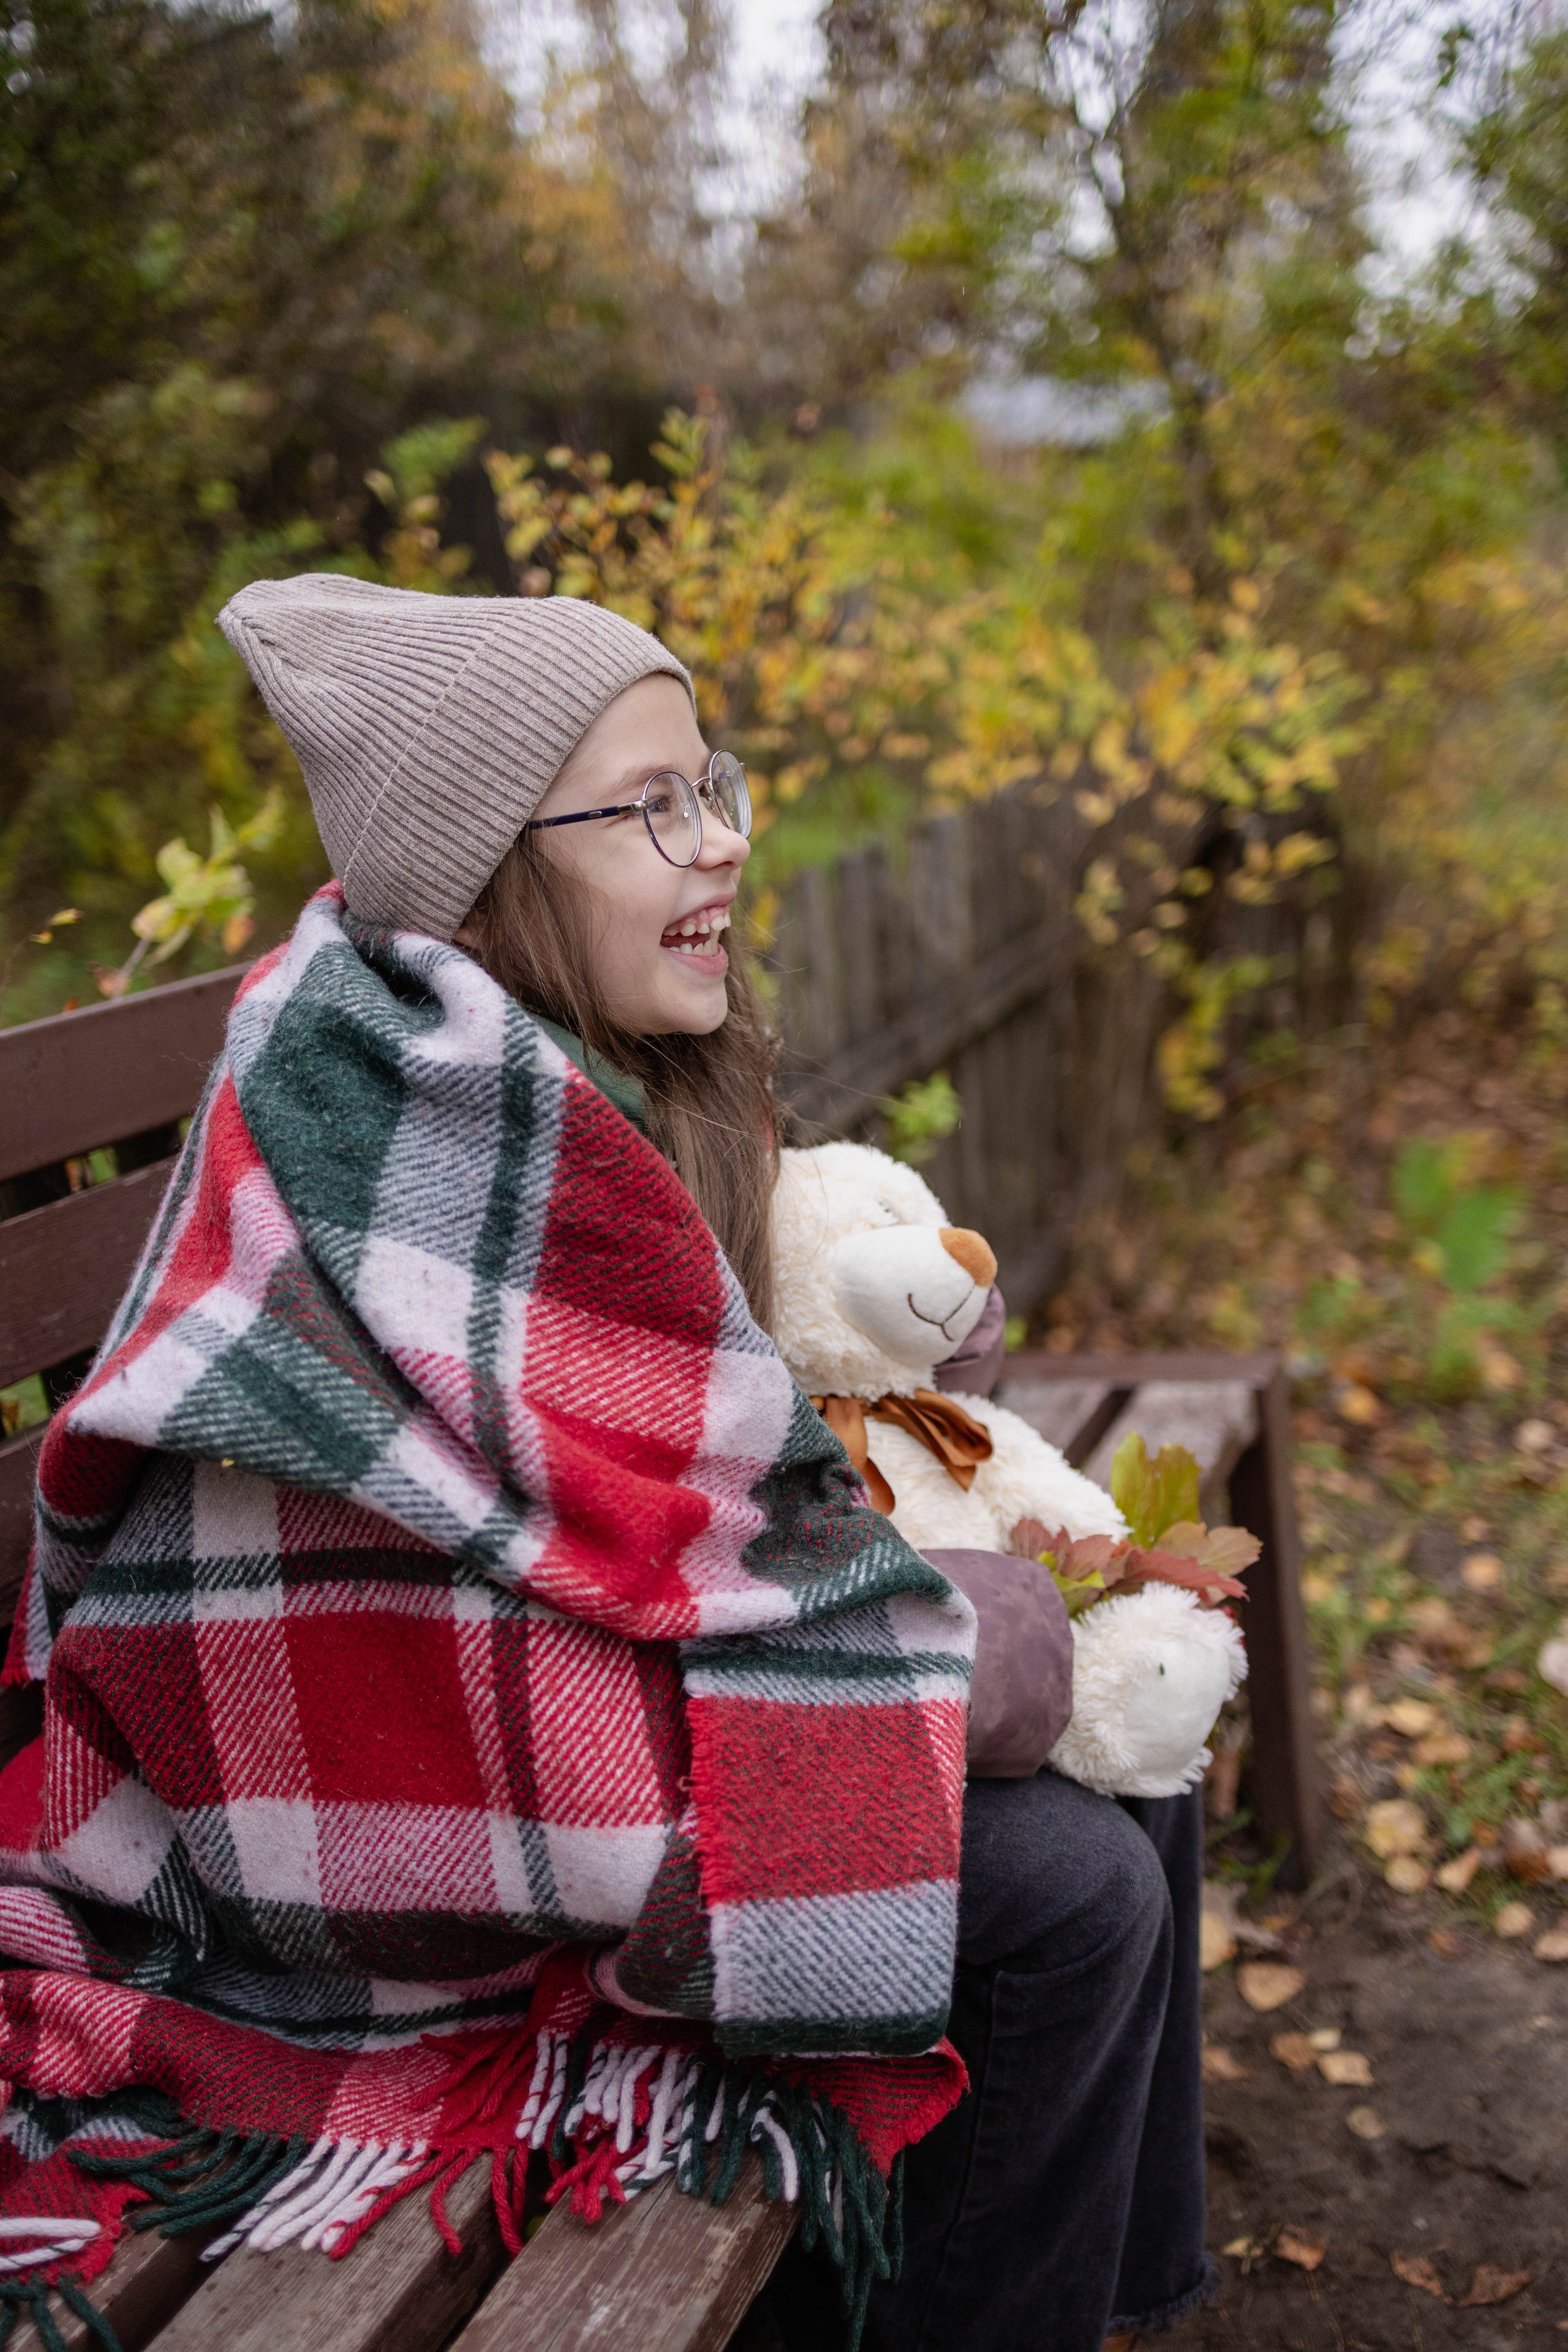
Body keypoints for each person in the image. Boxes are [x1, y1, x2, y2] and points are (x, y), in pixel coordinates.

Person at [4, 578, 1212, 2350]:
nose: (715, 843)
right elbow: (410, 1636)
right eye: (650, 809)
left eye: (710, 784)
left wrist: (902, 1381)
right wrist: (908, 1656)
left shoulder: (561, 1078)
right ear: (492, 863)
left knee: (1128, 1736)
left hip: (549, 1710)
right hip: (361, 1832)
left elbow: (636, 1465)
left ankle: (1103, 2301)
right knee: (1064, 1888)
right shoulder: (404, 1113)